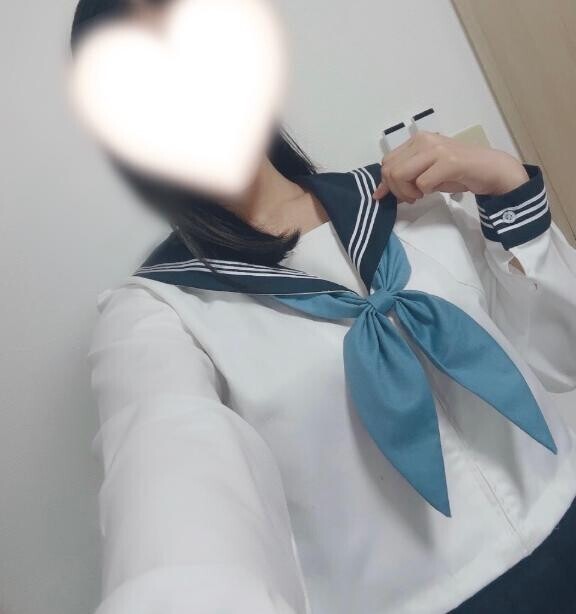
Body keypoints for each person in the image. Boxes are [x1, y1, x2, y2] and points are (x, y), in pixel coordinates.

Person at [73, 1, 576, 612]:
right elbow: (168, 488)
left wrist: (507, 188)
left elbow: (561, 360)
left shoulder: (410, 199)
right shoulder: (156, 314)